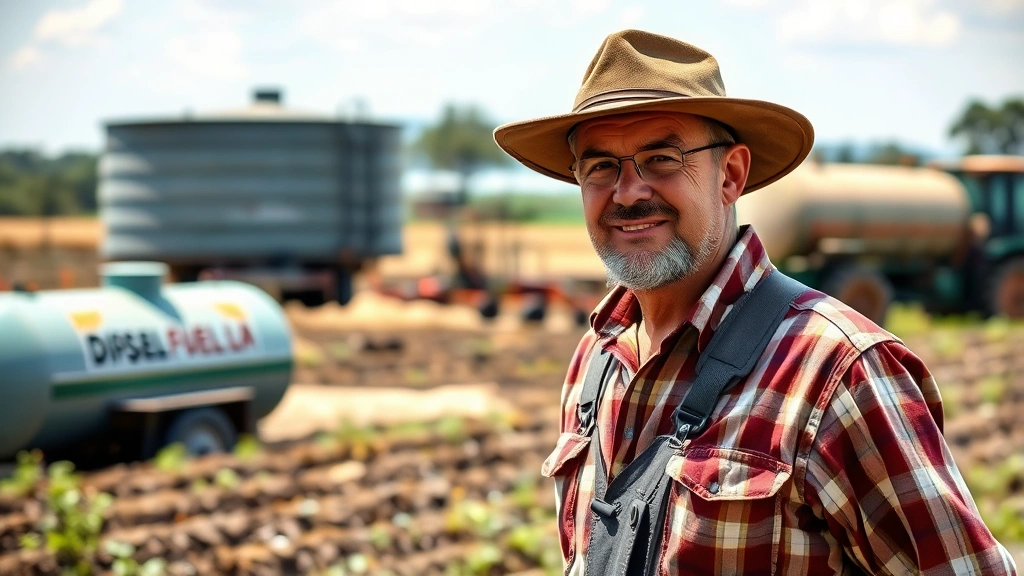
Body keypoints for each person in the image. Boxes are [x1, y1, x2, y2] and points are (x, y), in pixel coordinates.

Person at [493, 29, 1017, 575]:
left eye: (662, 158)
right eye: (600, 167)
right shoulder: (593, 362)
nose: (628, 192)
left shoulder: (837, 373)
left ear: (732, 175)